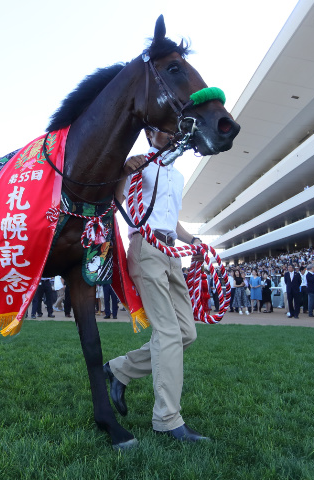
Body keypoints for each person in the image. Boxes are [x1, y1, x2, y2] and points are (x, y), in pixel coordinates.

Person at [103, 129, 208, 442]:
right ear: (150, 133)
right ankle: (167, 419)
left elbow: (171, 218)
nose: (172, 134)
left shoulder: (177, 176)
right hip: (145, 248)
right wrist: (123, 172)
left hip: (173, 252)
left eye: (176, 129)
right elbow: (116, 201)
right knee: (168, 332)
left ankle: (120, 369)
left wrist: (194, 240)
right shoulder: (138, 164)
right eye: (165, 129)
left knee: (187, 332)